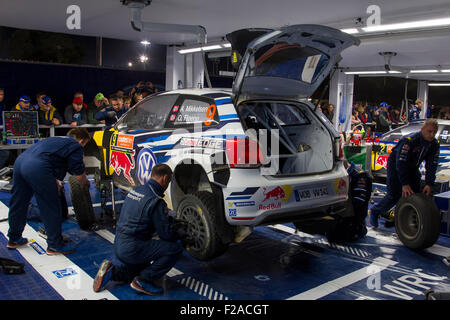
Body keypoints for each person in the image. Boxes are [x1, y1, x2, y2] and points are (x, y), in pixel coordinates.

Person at [92, 164, 187, 295]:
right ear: (165, 178)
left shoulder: (137, 190)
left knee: (141, 267)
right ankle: (144, 281)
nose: (167, 185)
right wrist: (180, 233)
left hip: (120, 244)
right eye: (169, 182)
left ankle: (113, 273)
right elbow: (166, 235)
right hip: (133, 248)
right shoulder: (156, 201)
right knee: (174, 249)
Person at [6, 128, 91, 254]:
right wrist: (86, 184)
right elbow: (78, 172)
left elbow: (49, 159)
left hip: (20, 162)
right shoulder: (75, 145)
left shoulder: (54, 139)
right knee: (50, 205)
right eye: (85, 144)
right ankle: (55, 245)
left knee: (18, 202)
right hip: (38, 166)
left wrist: (54, 181)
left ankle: (14, 239)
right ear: (82, 140)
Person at [369, 119, 440, 228]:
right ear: (422, 129)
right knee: (394, 195)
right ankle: (375, 211)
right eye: (429, 131)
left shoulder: (434, 144)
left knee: (415, 195)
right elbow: (400, 163)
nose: (432, 135)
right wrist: (405, 184)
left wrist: (429, 183)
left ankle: (400, 218)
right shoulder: (409, 141)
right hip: (396, 165)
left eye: (434, 132)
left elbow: (432, 165)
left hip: (412, 167)